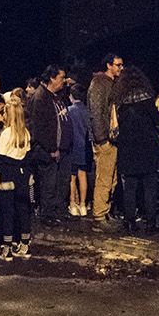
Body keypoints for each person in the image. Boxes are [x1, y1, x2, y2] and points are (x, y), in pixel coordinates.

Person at [112, 67, 159, 234]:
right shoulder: (147, 99)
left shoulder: (121, 103)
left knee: (130, 187)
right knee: (149, 186)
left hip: (128, 149)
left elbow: (117, 127)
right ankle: (150, 222)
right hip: (147, 147)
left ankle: (129, 221)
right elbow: (157, 119)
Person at [0, 91, 34, 258]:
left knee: (7, 211)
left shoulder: (6, 133)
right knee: (23, 209)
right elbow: (28, 156)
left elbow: (0, 158)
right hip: (22, 174)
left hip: (8, 175)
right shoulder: (25, 133)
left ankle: (7, 248)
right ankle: (25, 245)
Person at [26, 66, 69, 224]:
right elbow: (39, 127)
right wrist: (51, 148)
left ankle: (53, 211)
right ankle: (47, 215)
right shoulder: (41, 97)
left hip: (52, 148)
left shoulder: (51, 95)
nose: (63, 81)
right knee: (48, 183)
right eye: (61, 77)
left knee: (54, 182)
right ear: (52, 78)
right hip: (44, 149)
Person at [86, 53, 123, 229]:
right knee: (104, 177)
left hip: (112, 138)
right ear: (109, 65)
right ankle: (99, 216)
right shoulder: (99, 83)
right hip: (105, 139)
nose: (120, 68)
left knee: (112, 178)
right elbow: (96, 111)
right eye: (117, 65)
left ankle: (105, 211)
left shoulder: (111, 83)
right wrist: (101, 138)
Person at [63, 84, 91, 217]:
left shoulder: (69, 110)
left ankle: (72, 204)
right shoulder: (87, 110)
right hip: (85, 147)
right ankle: (83, 205)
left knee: (72, 178)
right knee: (83, 175)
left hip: (72, 147)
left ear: (71, 96)